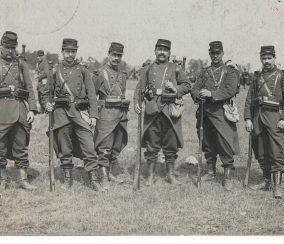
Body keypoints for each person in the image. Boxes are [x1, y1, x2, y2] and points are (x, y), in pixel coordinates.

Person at [45, 38, 103, 191]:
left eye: (73, 51)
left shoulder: (83, 70)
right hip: (61, 113)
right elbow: (46, 93)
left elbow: (91, 94)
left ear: (76, 52)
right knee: (65, 147)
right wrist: (47, 103)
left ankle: (94, 178)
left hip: (79, 112)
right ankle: (68, 178)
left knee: (89, 145)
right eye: (68, 51)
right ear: (62, 51)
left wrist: (93, 115)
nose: (70, 54)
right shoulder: (55, 70)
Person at [134, 39, 190, 186]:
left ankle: (170, 175)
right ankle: (151, 175)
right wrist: (137, 102)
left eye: (165, 50)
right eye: (159, 49)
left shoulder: (175, 68)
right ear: (155, 51)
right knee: (152, 145)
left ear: (169, 53)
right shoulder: (148, 68)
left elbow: (187, 85)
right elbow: (139, 88)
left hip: (170, 111)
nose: (161, 52)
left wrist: (175, 88)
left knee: (170, 145)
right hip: (153, 110)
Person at [244, 46, 284, 198]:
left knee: (276, 151)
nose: (266, 61)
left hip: (274, 117)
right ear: (260, 59)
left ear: (274, 58)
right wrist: (248, 118)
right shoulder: (257, 76)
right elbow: (249, 99)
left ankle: (277, 186)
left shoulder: (283, 76)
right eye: (264, 58)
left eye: (269, 58)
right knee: (260, 150)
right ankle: (267, 181)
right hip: (257, 117)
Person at [191, 41, 240, 191]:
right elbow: (194, 89)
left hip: (222, 112)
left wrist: (211, 94)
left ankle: (227, 177)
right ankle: (211, 172)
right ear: (209, 54)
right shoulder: (204, 72)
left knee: (225, 143)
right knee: (207, 142)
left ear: (223, 53)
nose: (215, 56)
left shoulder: (230, 71)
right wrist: (198, 95)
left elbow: (230, 90)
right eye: (212, 53)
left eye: (218, 53)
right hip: (205, 112)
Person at [0, 31, 38, 191]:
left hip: (20, 110)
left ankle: (23, 179)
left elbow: (29, 88)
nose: (10, 51)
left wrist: (32, 110)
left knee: (21, 145)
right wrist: (8, 89)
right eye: (7, 47)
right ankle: (2, 180)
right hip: (1, 110)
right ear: (1, 46)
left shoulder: (21, 64)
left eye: (13, 47)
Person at [93, 42, 129, 188]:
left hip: (120, 115)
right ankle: (103, 178)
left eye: (119, 55)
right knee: (105, 147)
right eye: (114, 55)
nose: (116, 58)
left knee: (115, 146)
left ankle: (109, 174)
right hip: (106, 115)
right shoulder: (100, 73)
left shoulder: (123, 74)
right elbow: (92, 95)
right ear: (108, 54)